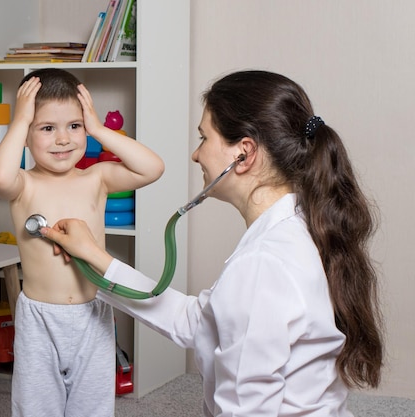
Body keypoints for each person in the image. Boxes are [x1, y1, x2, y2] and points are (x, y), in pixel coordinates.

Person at [41, 70, 384, 416]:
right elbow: (196, 321)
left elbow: (245, 411)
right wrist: (95, 259)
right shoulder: (296, 228)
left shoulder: (263, 264)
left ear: (243, 154)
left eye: (204, 138)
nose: (195, 155)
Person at [0, 68, 164, 417]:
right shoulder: (24, 184)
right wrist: (19, 121)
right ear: (26, 134)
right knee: (37, 406)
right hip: (40, 318)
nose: (63, 139)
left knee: (93, 405)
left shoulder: (95, 178)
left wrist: (99, 129)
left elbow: (152, 168)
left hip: (92, 314)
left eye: (74, 125)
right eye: (47, 128)